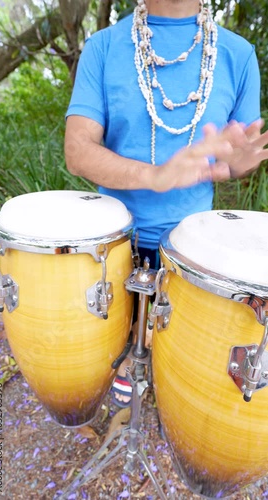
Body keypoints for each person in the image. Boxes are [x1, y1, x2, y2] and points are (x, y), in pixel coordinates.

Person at [65, 0, 268, 406]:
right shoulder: (103, 47)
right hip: (114, 248)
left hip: (195, 256)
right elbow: (78, 149)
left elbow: (229, 161)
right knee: (117, 367)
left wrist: (235, 165)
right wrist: (153, 176)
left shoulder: (237, 54)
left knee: (182, 378)